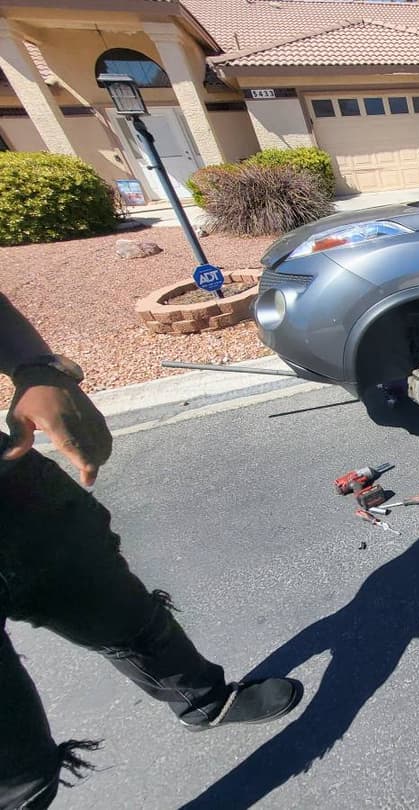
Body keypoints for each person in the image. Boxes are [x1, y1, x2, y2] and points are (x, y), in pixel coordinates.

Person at [0, 293, 303, 809]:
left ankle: (203, 701)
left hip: (12, 494)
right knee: (20, 778)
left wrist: (38, 368)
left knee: (119, 610)